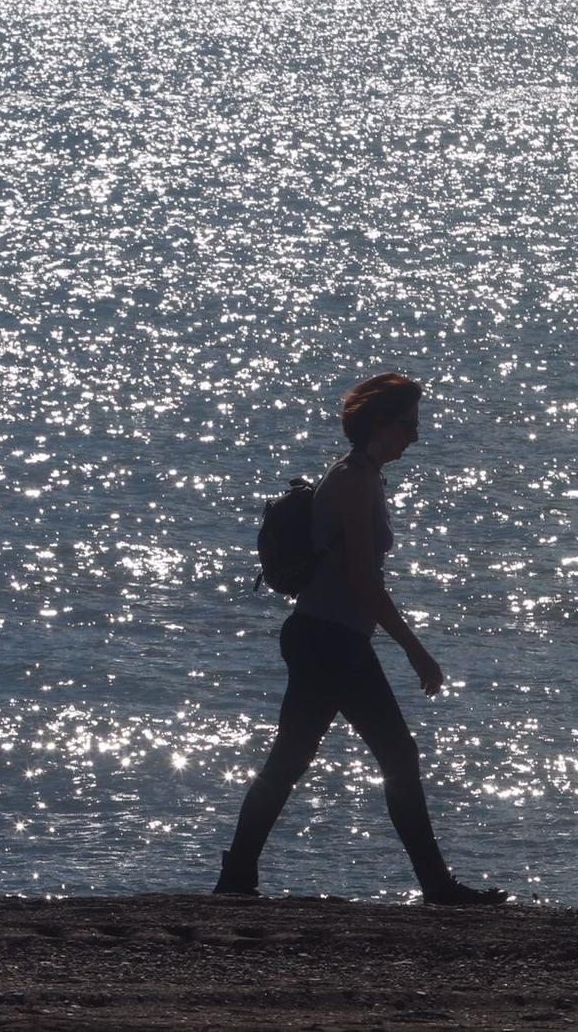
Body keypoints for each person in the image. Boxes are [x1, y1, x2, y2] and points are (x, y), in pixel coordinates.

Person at [216, 373, 504, 904]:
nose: (414, 437)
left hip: (327, 637)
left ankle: (235, 879)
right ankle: (437, 888)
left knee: (292, 762)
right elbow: (362, 581)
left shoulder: (364, 478)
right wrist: (417, 651)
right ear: (379, 424)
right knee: (395, 754)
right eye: (408, 425)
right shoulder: (352, 481)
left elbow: (360, 581)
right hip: (330, 640)